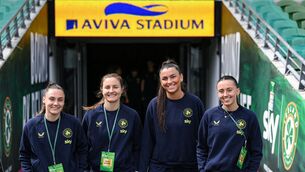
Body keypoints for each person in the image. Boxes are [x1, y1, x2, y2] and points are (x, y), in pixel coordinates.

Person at [140, 59, 205, 172]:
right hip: (160, 167)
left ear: (181, 77)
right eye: (164, 78)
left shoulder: (195, 103)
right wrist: (141, 168)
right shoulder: (154, 105)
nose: (169, 81)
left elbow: (204, 139)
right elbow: (147, 141)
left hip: (189, 167)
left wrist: (204, 166)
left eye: (173, 76)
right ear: (160, 82)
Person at [197, 75, 263, 172]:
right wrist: (202, 170)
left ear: (237, 91)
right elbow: (201, 148)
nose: (225, 94)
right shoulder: (209, 115)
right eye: (221, 91)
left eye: (229, 90)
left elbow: (256, 151)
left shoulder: (250, 117)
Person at [19, 83, 88, 172]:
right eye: (52, 99)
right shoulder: (31, 126)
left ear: (63, 102)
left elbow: (83, 150)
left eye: (60, 100)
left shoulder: (74, 123)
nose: (56, 103)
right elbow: (24, 155)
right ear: (44, 99)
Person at [82, 73, 142, 172]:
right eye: (107, 87)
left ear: (122, 89)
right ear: (101, 89)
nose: (111, 90)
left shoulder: (132, 115)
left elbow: (138, 146)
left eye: (115, 87)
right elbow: (83, 147)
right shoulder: (91, 116)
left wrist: (136, 169)